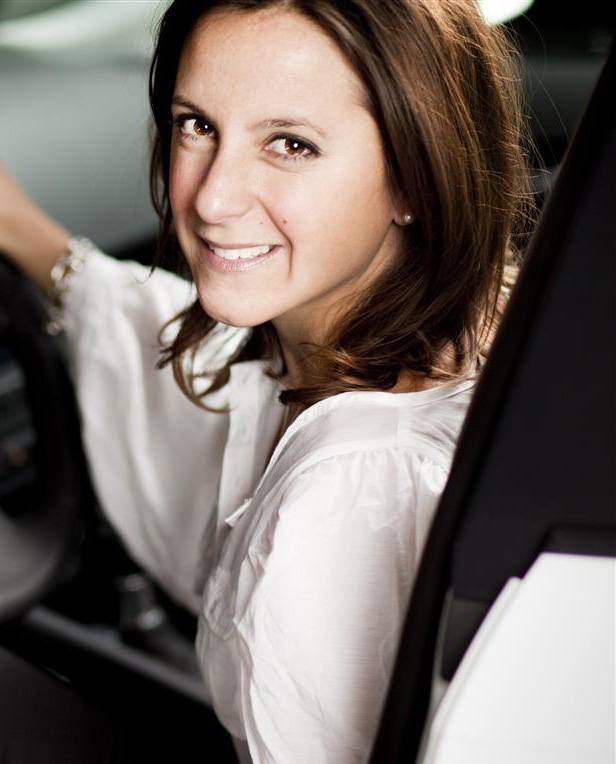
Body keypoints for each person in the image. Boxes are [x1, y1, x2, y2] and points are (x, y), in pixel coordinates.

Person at [0, 1, 534, 761]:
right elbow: (189, 356)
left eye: (291, 144)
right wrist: (26, 233)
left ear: (415, 177)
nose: (212, 198)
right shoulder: (471, 330)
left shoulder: (347, 502)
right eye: (196, 125)